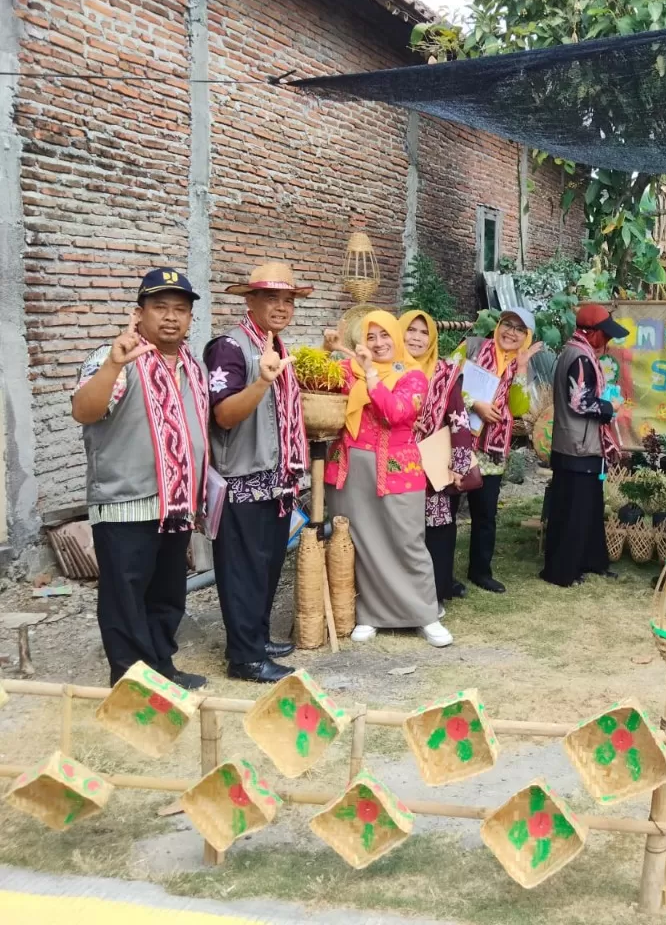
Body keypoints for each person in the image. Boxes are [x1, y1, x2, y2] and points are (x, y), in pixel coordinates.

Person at [71, 269, 210, 689]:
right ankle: (132, 683)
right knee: (125, 596)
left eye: (180, 309)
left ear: (190, 318)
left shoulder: (192, 366)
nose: (170, 317)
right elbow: (84, 411)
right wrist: (114, 364)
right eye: (160, 307)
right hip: (125, 501)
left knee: (167, 592)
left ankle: (162, 669)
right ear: (139, 313)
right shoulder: (114, 356)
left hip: (176, 504)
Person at [204, 262, 308, 684]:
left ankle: (258, 639)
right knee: (242, 571)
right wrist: (262, 382)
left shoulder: (275, 345)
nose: (281, 307)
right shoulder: (230, 347)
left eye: (288, 300)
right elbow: (223, 415)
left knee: (266, 566)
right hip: (243, 481)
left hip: (276, 481)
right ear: (249, 300)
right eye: (271, 298)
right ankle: (244, 658)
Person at [326, 311, 452, 647]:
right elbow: (315, 383)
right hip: (349, 468)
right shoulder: (347, 369)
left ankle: (425, 614)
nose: (378, 343)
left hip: (398, 471)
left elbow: (396, 412)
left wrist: (370, 373)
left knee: (407, 541)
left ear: (396, 338)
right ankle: (368, 614)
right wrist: (328, 350)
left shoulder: (412, 375)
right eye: (371, 336)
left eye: (385, 335)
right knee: (362, 543)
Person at [452, 309, 542, 593]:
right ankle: (442, 574)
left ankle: (480, 571)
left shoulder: (523, 364)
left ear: (527, 337)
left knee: (485, 514)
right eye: (507, 324)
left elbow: (518, 407)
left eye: (520, 329)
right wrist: (474, 403)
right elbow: (445, 379)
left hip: (491, 449)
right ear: (499, 325)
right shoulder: (472, 347)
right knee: (447, 510)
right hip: (457, 441)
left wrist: (522, 368)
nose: (511, 332)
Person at [541, 305, 630, 587]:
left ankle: (590, 561)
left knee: (587, 508)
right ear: (591, 333)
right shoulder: (580, 357)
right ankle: (562, 571)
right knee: (574, 513)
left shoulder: (575, 352)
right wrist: (610, 407)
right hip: (578, 446)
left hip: (576, 444)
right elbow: (580, 402)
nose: (608, 340)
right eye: (606, 334)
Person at [401, 309, 473, 607]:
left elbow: (459, 421)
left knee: (438, 529)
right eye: (411, 330)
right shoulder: (388, 370)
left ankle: (435, 593)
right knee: (401, 531)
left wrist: (459, 465)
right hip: (397, 465)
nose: (417, 338)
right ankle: (402, 597)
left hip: (432, 467)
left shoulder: (444, 373)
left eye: (424, 332)